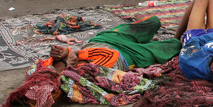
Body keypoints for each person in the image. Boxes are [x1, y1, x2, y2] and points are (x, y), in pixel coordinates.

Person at [43, 15, 181, 73]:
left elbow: (61, 61)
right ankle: (147, 43)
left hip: (104, 41)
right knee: (175, 45)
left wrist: (67, 53)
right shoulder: (83, 77)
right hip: (127, 57)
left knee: (153, 21)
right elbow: (109, 56)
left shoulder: (45, 68)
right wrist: (74, 54)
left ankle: (144, 40)